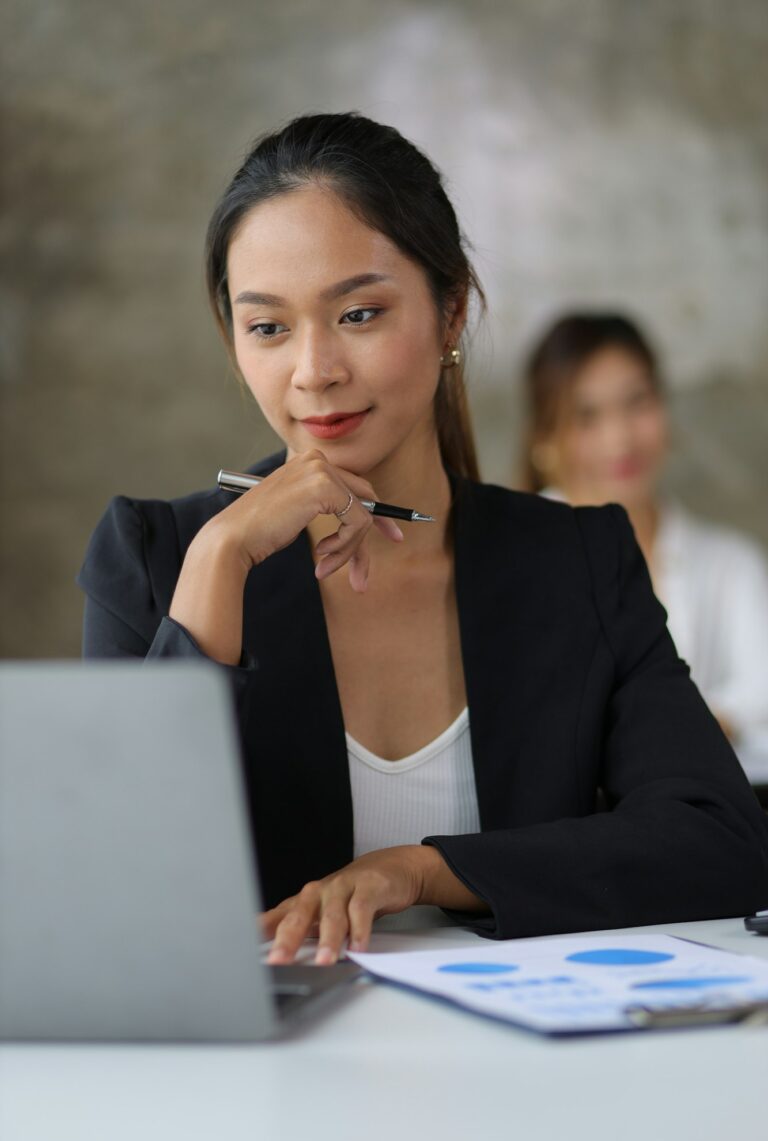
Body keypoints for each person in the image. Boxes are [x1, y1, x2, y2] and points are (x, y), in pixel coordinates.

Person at [78, 114, 768, 967]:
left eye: (359, 313)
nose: (314, 370)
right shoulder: (156, 555)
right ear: (233, 343)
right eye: (269, 328)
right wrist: (217, 566)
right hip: (262, 1081)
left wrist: (423, 870)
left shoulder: (578, 561)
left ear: (451, 312)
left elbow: (720, 844)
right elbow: (109, 896)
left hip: (528, 1072)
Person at [520, 312, 768, 786]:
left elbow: (761, 694)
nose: (621, 439)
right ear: (545, 436)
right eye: (586, 415)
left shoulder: (731, 564)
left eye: (637, 402)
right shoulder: (514, 556)